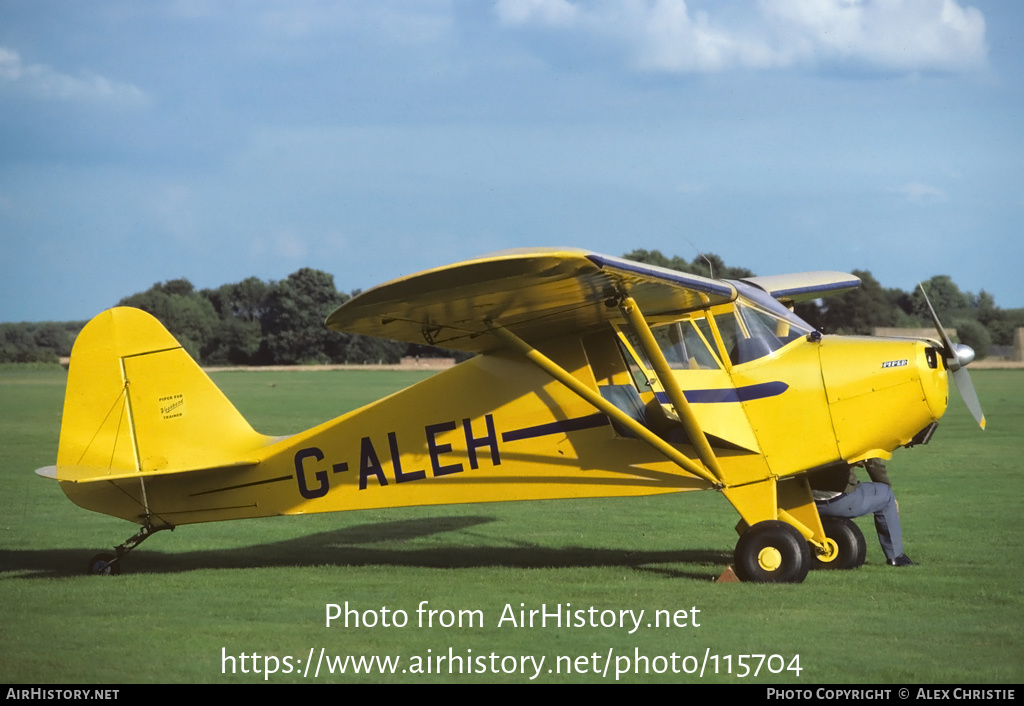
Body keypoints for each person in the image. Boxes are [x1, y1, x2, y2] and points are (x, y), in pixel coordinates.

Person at [811, 459, 915, 567]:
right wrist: (886, 487)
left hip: (806, 501)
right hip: (840, 500)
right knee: (886, 494)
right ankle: (896, 556)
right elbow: (873, 461)